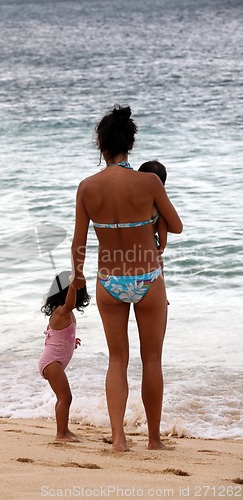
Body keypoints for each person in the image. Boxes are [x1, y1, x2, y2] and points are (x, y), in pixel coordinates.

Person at [71, 105, 182, 451]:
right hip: (148, 278)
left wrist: (78, 284)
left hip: (108, 281)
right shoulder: (148, 181)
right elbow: (176, 225)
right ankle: (153, 439)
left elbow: (78, 243)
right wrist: (156, 220)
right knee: (152, 360)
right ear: (130, 145)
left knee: (117, 359)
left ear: (100, 146)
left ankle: (118, 438)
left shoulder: (87, 187)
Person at [38, 271, 90, 442]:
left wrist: (71, 340)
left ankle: (65, 430)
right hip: (51, 363)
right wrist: (74, 284)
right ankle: (61, 434)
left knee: (64, 397)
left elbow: (57, 335)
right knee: (65, 397)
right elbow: (70, 302)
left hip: (54, 361)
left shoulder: (65, 313)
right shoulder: (62, 310)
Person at [138, 160, 168, 257]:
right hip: (150, 246)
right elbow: (162, 227)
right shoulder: (157, 205)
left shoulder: (132, 200)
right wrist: (162, 246)